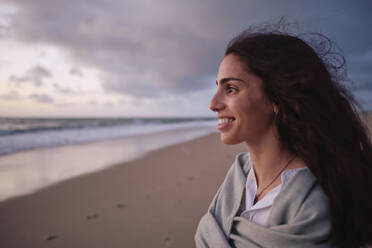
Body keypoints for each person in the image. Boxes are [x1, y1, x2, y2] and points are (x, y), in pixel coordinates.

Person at [195, 24, 372, 248]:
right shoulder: (240, 174)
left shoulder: (313, 201)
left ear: (276, 98)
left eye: (231, 89)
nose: (213, 104)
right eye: (218, 87)